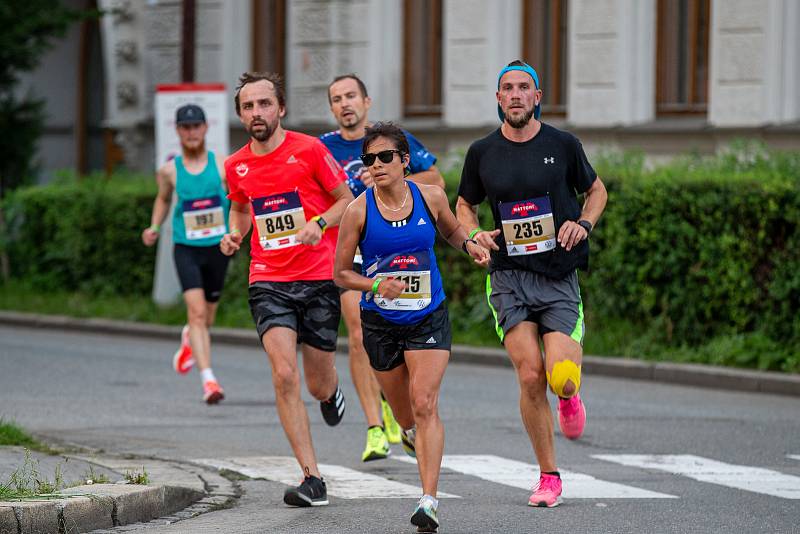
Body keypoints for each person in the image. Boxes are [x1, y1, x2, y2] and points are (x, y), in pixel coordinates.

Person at [456, 60, 608, 508]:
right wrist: (473, 234)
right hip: (508, 277)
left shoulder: (563, 145)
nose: (516, 94)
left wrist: (583, 222)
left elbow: (596, 191)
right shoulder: (482, 152)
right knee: (529, 376)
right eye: (508, 88)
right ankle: (549, 477)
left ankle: (568, 397)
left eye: (525, 87)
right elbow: (465, 204)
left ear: (537, 97)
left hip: (559, 274)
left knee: (560, 377)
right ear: (499, 98)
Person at [334, 122, 489, 531]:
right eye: (370, 159)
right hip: (381, 322)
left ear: (405, 161)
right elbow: (340, 275)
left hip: (427, 314)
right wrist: (375, 284)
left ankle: (428, 501)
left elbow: (452, 231)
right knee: (405, 414)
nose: (378, 164)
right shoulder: (358, 211)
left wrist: (470, 243)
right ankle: (405, 431)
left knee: (424, 404)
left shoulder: (431, 196)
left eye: (386, 157)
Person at [219, 72, 354, 508]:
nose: (256, 113)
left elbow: (345, 199)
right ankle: (312, 478)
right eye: (248, 107)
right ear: (240, 114)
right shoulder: (235, 164)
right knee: (283, 374)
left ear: (281, 108)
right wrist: (234, 235)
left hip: (317, 277)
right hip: (268, 279)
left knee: (315, 383)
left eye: (264, 104)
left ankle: (331, 392)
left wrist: (317, 224)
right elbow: (241, 209)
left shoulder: (309, 150)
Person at [321, 73, 445, 462]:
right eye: (337, 98)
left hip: (396, 250)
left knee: (390, 337)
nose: (345, 104)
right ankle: (376, 427)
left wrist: (390, 175)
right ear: (332, 108)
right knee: (357, 332)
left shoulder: (388, 141)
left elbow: (434, 178)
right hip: (352, 250)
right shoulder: (322, 148)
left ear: (367, 101)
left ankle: (397, 410)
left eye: (351, 96)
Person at [142, 103, 230, 405]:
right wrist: (154, 226)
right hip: (186, 248)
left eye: (196, 126)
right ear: (178, 131)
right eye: (185, 127)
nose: (191, 132)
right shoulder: (169, 171)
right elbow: (163, 200)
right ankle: (209, 380)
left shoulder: (222, 166)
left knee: (208, 316)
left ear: (205, 128)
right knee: (196, 312)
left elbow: (240, 200)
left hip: (218, 248)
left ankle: (190, 337)